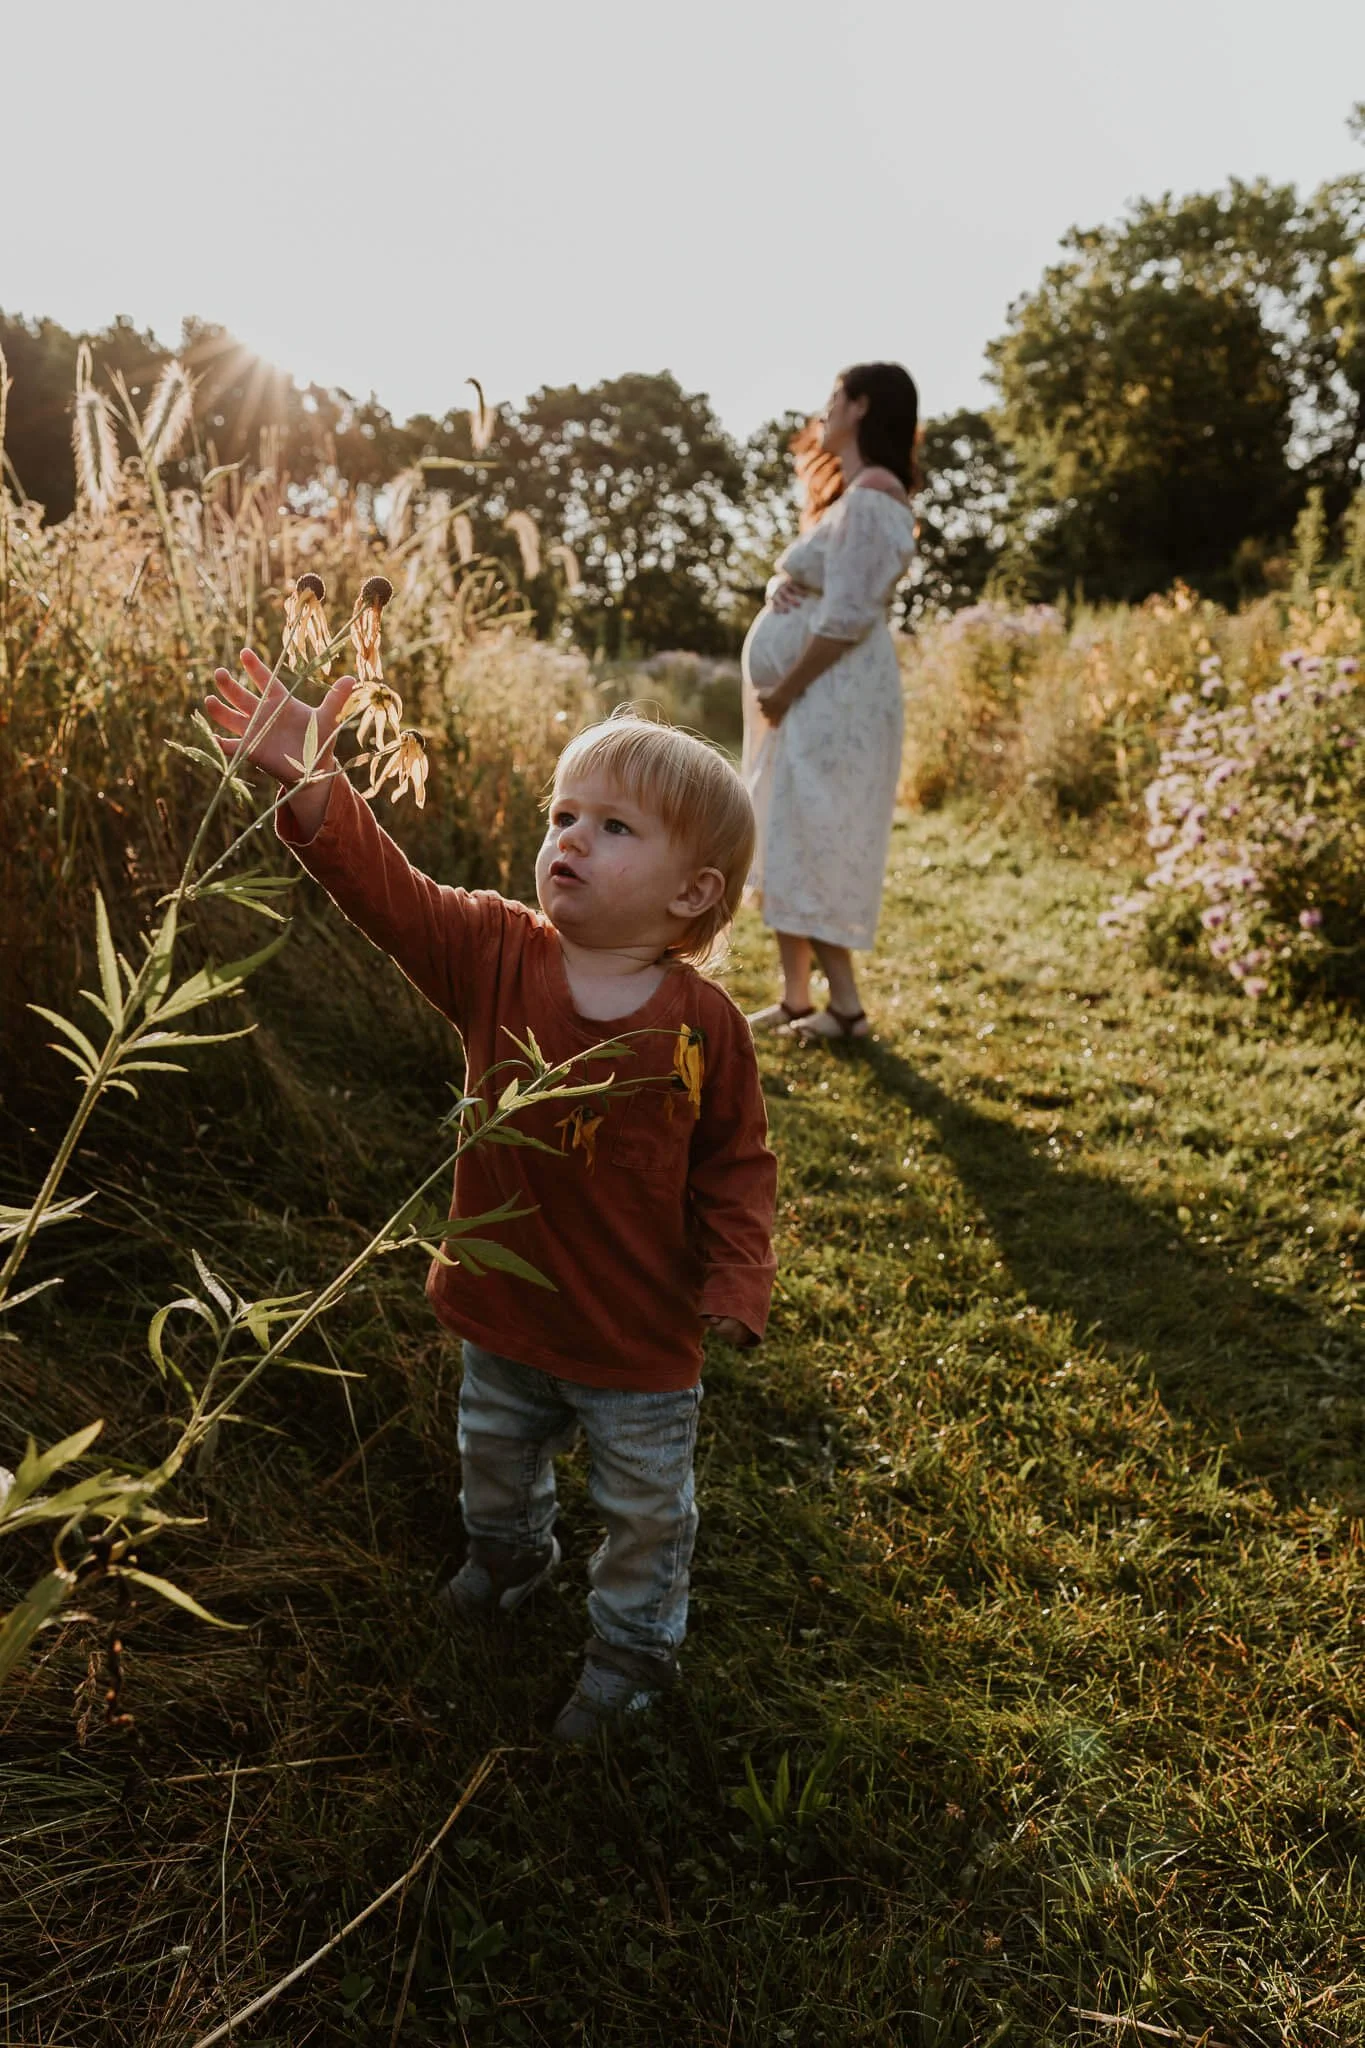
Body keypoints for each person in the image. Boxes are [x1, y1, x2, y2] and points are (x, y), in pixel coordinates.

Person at [205, 653, 778, 1743]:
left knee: (647, 1511)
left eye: (615, 827)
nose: (570, 837)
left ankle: (630, 1653)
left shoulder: (707, 1029)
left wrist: (738, 1273)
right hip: (505, 1314)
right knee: (495, 1460)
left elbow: (738, 1164)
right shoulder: (494, 953)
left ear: (694, 890)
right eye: (565, 812)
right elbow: (392, 896)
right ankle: (509, 1558)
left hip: (637, 1341)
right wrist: (318, 784)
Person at [741, 362, 919, 1040]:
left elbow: (846, 616)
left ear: (860, 407)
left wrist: (785, 686)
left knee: (811, 832)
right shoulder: (854, 495)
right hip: (814, 696)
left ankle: (844, 1009)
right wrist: (775, 592)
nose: (823, 409)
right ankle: (795, 998)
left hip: (829, 697)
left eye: (833, 397)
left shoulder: (875, 496)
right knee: (786, 827)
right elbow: (817, 581)